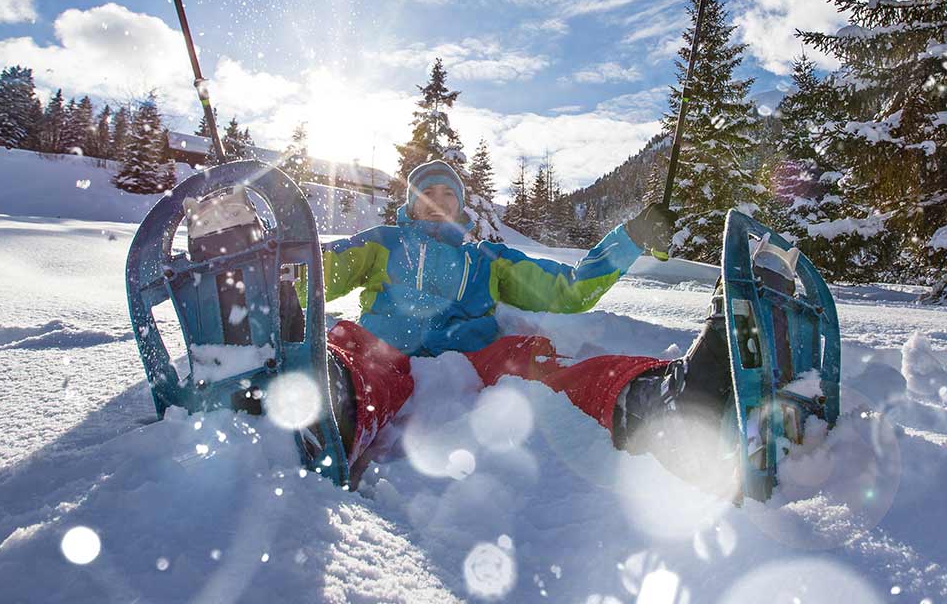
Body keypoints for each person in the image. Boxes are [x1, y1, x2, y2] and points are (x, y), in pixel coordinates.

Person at [300, 159, 736, 479]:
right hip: (383, 350)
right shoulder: (383, 242)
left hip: (473, 359)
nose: (437, 201)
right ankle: (326, 407)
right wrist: (261, 276)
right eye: (426, 194)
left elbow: (568, 289)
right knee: (354, 356)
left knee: (536, 362)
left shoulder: (487, 258)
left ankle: (651, 396)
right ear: (410, 206)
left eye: (447, 193)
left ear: (462, 206)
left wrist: (631, 239)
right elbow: (313, 277)